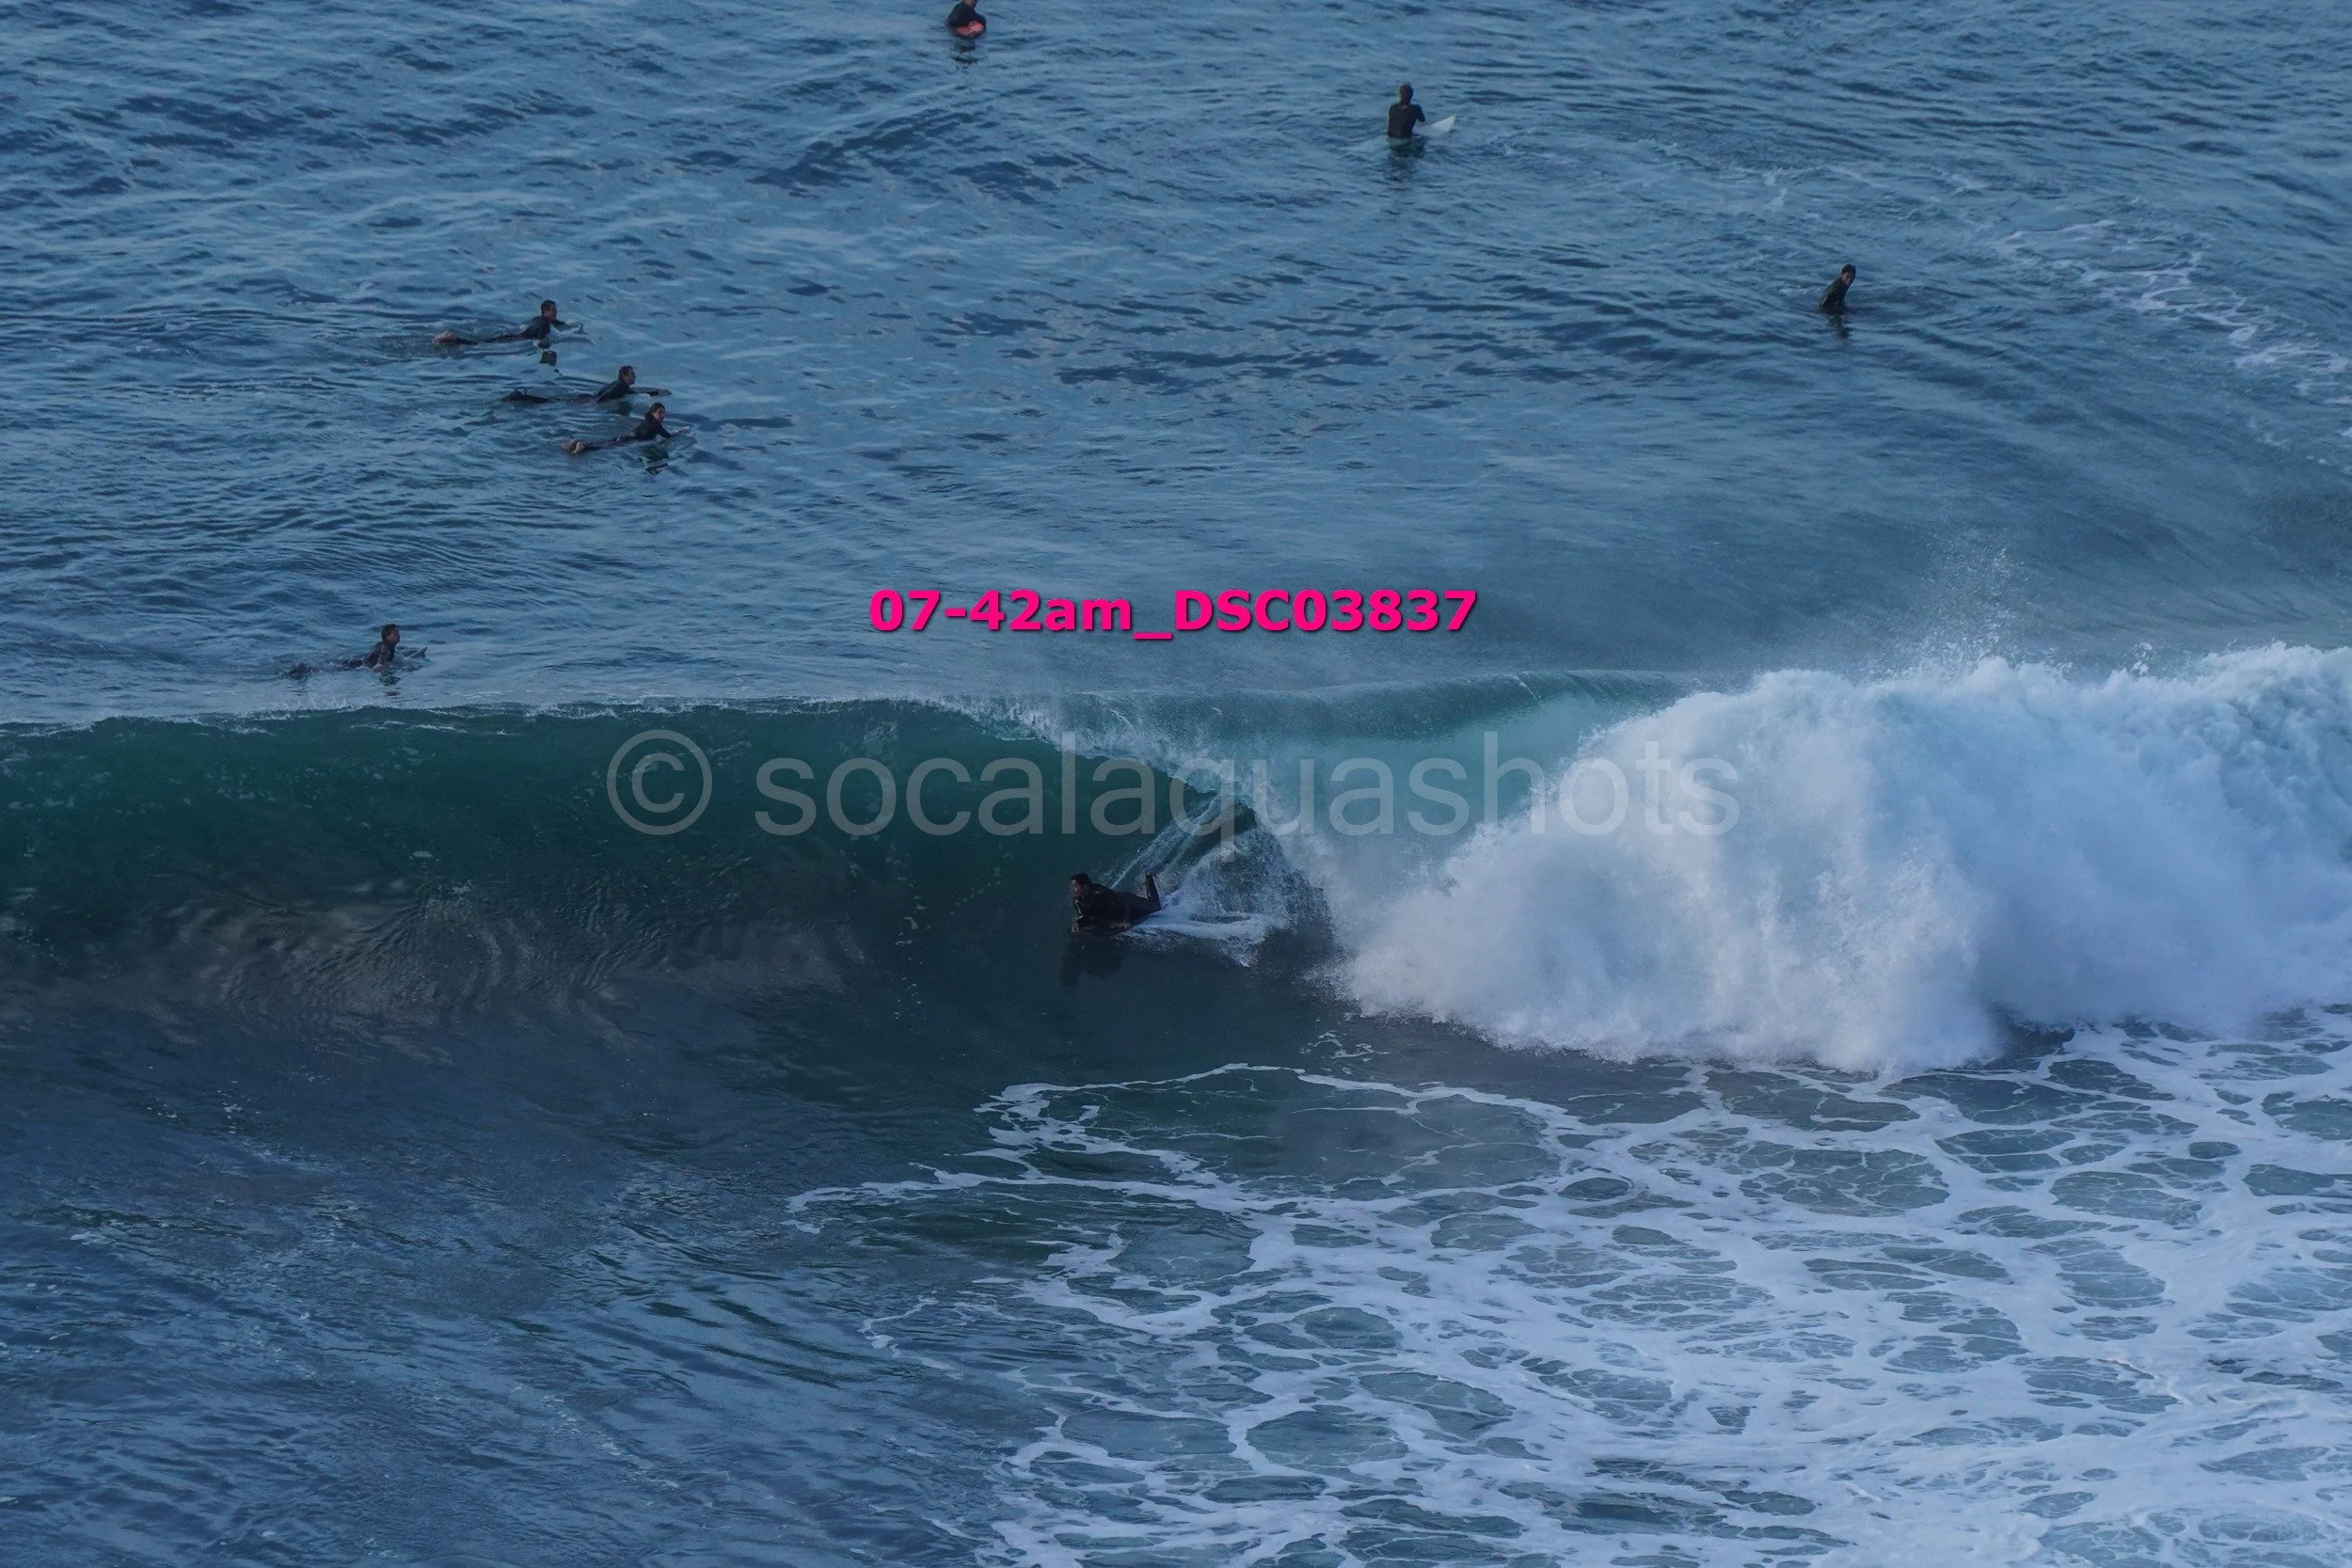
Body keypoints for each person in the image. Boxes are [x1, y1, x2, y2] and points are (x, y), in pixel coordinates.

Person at [504, 364, 668, 405]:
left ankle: (523, 397)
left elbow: (635, 393)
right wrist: (593, 406)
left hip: (587, 397)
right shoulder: (620, 387)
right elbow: (605, 397)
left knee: (551, 401)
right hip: (588, 401)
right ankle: (521, 397)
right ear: (625, 376)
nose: (635, 376)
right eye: (632, 374)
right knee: (550, 403)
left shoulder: (619, 384)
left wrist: (655, 392)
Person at [435, 300, 570, 347]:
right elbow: (540, 340)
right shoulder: (545, 325)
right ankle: (453, 339)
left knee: (484, 342)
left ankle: (453, 338)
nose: (556, 312)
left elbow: (556, 322)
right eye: (553, 310)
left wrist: (568, 324)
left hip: (514, 335)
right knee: (479, 345)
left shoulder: (538, 319)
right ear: (545, 311)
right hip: (516, 340)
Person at [1068, 870, 1162, 935]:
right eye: (1072, 887)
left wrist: (1125, 921)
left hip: (1129, 902)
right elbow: (1084, 916)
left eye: (1075, 886)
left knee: (1155, 907)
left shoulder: (1100, 893)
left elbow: (1123, 903)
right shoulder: (1077, 901)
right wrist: (1077, 923)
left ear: (1085, 886)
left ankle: (1149, 876)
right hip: (1117, 910)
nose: (1072, 890)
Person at [564, 402, 677, 454]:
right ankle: (583, 446)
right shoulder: (656, 425)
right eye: (660, 413)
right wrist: (680, 432)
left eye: (664, 412)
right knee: (601, 448)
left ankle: (578, 442)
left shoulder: (647, 420)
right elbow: (668, 436)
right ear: (653, 413)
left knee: (602, 444)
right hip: (628, 440)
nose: (663, 415)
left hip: (626, 437)